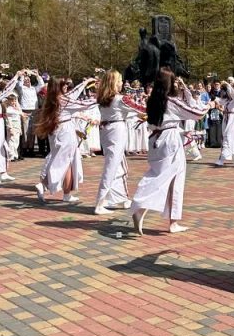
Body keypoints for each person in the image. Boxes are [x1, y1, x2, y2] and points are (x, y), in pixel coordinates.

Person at [130, 68, 208, 235]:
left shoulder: (152, 100)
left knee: (158, 174)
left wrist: (184, 89)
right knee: (171, 178)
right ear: (169, 83)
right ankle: (142, 207)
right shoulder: (171, 101)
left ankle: (171, 220)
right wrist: (205, 102)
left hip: (154, 139)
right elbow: (197, 113)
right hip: (169, 139)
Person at [34, 76, 97, 203]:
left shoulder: (51, 98)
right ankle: (44, 183)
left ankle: (66, 194)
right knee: (62, 161)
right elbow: (83, 104)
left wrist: (84, 82)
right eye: (64, 84)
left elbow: (73, 94)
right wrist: (101, 98)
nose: (67, 86)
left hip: (57, 130)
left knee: (66, 162)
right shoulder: (62, 100)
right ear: (58, 86)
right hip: (65, 132)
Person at [93, 70, 144, 215]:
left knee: (119, 163)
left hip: (107, 129)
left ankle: (119, 197)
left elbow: (130, 111)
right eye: (120, 81)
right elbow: (140, 108)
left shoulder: (103, 98)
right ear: (114, 83)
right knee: (112, 165)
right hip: (116, 130)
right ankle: (100, 202)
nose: (122, 83)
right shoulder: (121, 99)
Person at [215, 81, 234, 166]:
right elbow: (218, 100)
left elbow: (233, 94)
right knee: (230, 138)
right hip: (226, 118)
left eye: (226, 91)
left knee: (228, 136)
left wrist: (227, 85)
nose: (224, 92)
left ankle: (222, 158)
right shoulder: (227, 100)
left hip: (232, 119)